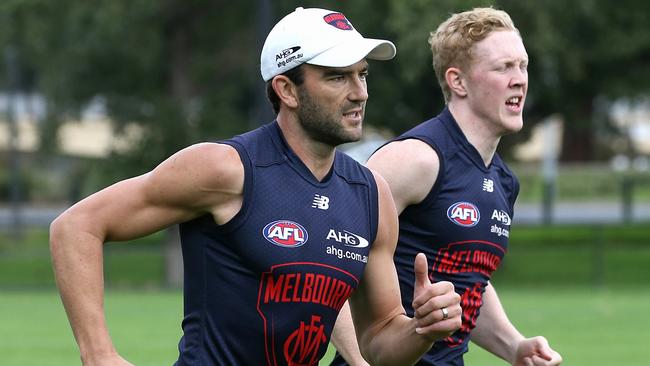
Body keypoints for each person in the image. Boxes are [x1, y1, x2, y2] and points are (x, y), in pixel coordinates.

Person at [49, 7, 462, 366]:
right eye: (338, 78)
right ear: (287, 90)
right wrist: (98, 353)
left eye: (363, 74)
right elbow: (76, 227)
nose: (360, 93)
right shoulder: (225, 169)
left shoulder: (372, 195)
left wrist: (421, 330)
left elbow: (378, 341)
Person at [331, 7, 563, 366]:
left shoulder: (503, 181)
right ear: (458, 82)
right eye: (503, 67)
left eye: (523, 66)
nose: (520, 79)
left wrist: (514, 346)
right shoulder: (416, 159)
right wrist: (357, 360)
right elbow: (325, 259)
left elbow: (469, 281)